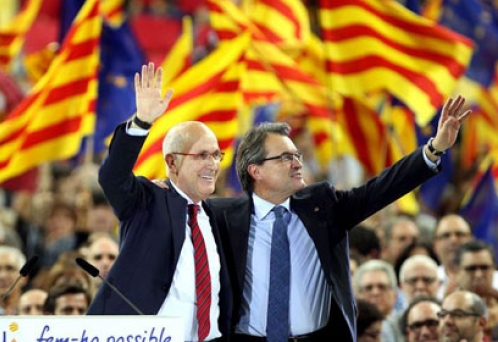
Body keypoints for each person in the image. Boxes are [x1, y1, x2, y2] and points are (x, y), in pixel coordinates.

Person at [209, 95, 471, 341]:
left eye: (297, 155)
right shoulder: (219, 216)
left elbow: (380, 189)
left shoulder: (323, 206)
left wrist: (434, 148)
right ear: (256, 170)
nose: (297, 163)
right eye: (285, 157)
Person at [87, 62, 232, 342]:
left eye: (216, 155)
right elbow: (113, 177)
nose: (212, 164)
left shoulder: (219, 216)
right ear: (172, 162)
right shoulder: (148, 202)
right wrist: (142, 122)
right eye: (202, 155)